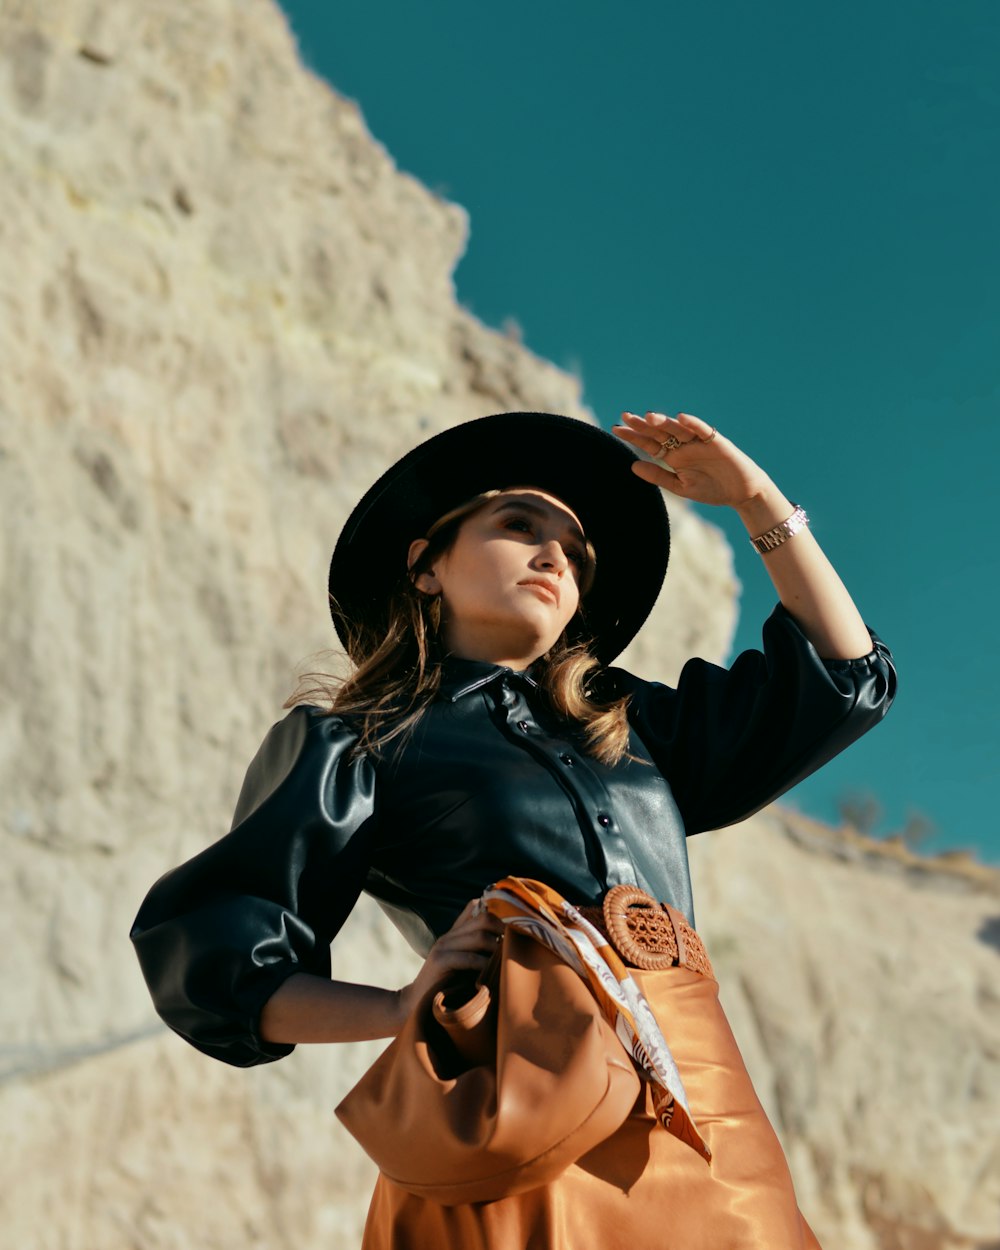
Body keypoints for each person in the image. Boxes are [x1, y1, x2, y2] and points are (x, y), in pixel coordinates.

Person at [131, 409, 895, 1248]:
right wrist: (397, 1005)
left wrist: (758, 503)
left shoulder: (634, 729)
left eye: (575, 555)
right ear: (426, 566)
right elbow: (215, 955)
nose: (553, 558)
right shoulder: (355, 741)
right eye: (519, 525)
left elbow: (842, 679)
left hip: (703, 1085)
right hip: (524, 1092)